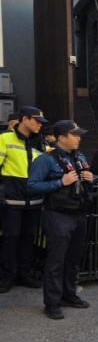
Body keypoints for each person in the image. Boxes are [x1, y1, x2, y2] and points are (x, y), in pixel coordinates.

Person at [27, 120, 93, 319]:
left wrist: (90, 179)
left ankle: (69, 295)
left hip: (78, 213)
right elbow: (31, 187)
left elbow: (81, 183)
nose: (79, 138)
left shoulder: (78, 156)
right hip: (57, 215)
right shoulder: (45, 159)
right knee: (56, 260)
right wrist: (60, 182)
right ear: (62, 137)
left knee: (73, 259)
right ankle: (52, 302)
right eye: (75, 135)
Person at [0, 106, 48, 293]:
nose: (40, 125)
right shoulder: (4, 139)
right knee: (11, 238)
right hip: (11, 201)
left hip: (34, 201)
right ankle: (7, 276)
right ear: (25, 119)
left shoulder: (41, 143)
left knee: (28, 238)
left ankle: (24, 274)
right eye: (37, 121)